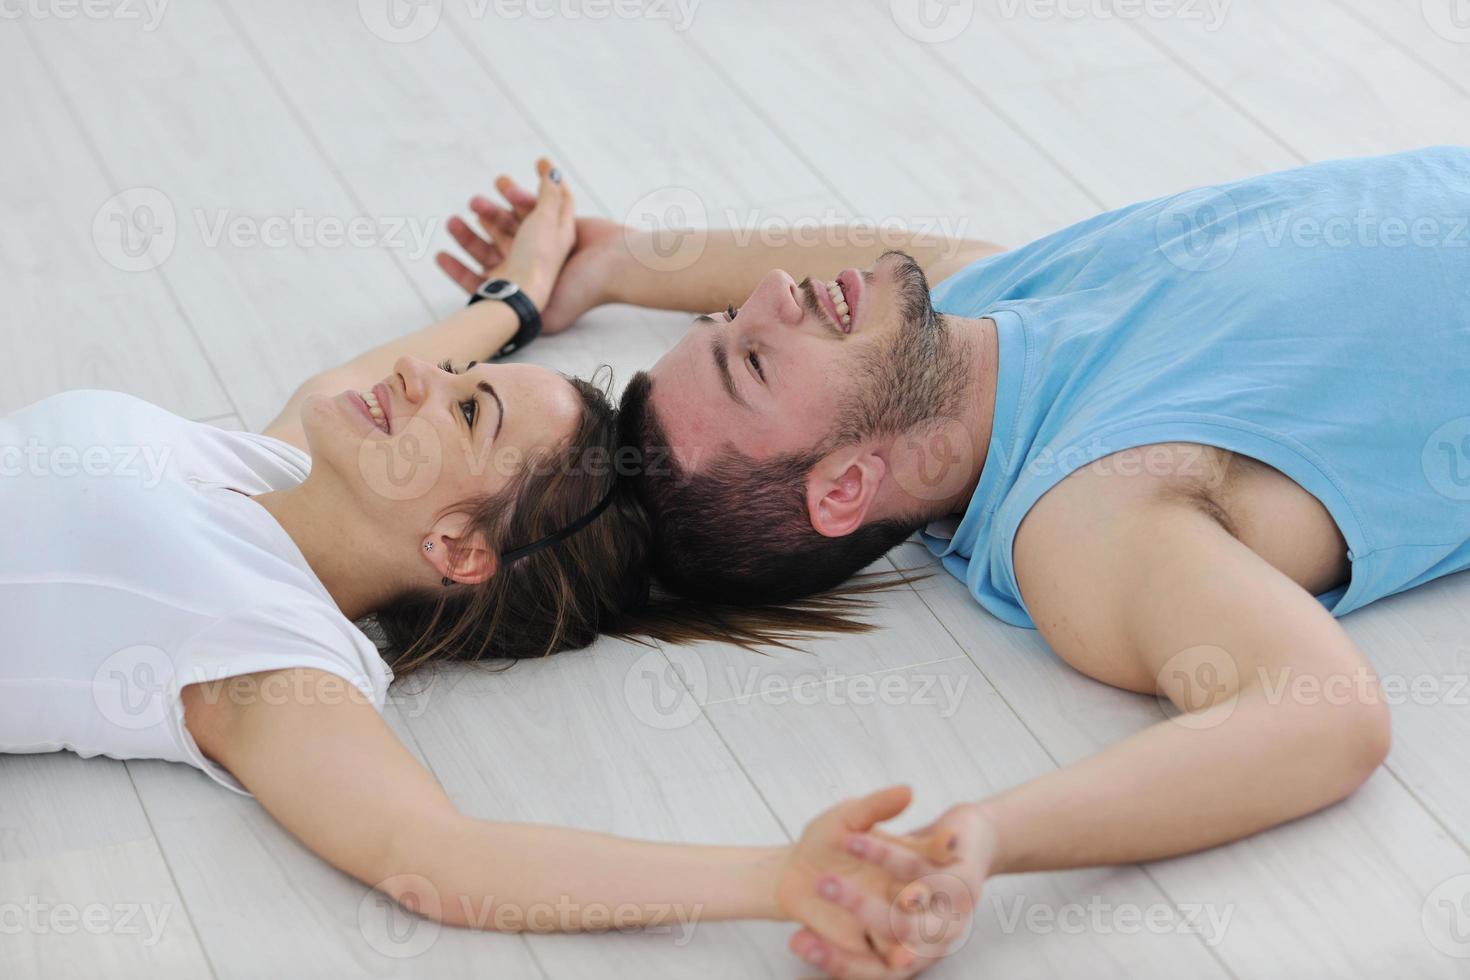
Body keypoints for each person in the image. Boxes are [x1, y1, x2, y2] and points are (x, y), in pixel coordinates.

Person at [441, 146, 1470, 963]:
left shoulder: (986, 303)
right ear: (845, 486)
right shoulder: (1088, 516)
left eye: (724, 319)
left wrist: (619, 263)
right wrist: (988, 834)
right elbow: (1324, 714)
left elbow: (878, 256)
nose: (767, 292)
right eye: (753, 355)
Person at [2, 159, 987, 980]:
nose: (418, 381)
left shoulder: (265, 649)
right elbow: (394, 365)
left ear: (458, 549)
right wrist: (524, 290)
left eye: (467, 411)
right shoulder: (262, 463)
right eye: (459, 386)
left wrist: (774, 877)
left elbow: (432, 851)